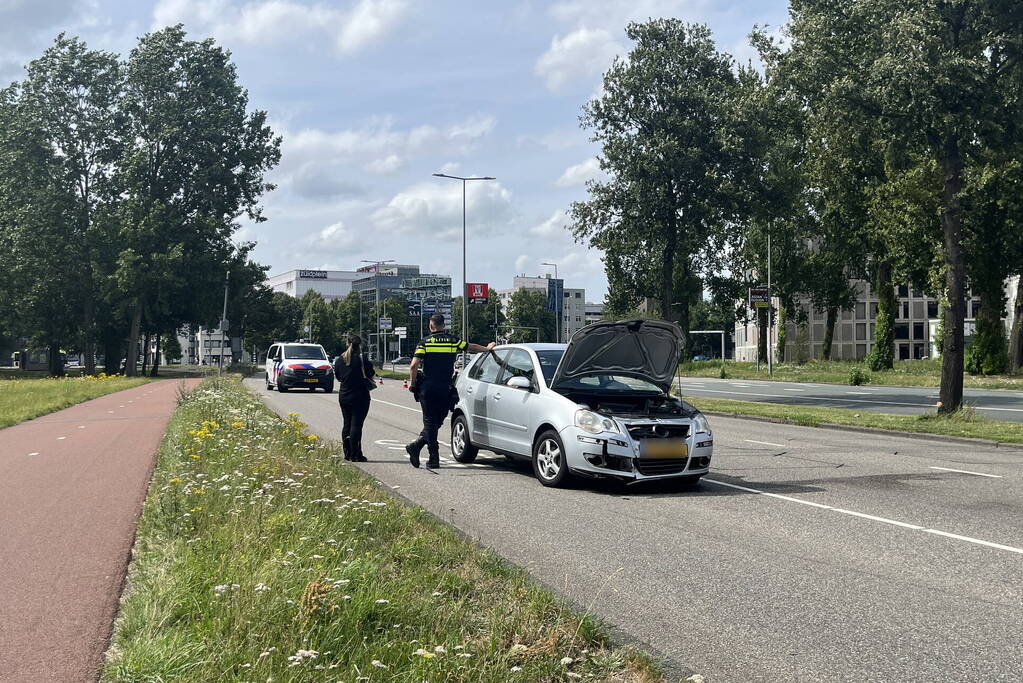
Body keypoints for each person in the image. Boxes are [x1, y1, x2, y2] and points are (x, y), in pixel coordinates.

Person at [405, 314, 495, 469]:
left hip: (428, 387)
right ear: (443, 325)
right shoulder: (453, 341)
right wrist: (487, 349)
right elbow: (471, 347)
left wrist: (413, 384)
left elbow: (413, 366)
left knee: (430, 423)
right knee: (437, 422)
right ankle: (430, 456)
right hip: (445, 388)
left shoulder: (424, 343)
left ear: (431, 326)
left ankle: (421, 449)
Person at [333, 334, 374, 462]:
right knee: (356, 425)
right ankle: (356, 454)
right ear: (360, 345)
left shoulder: (340, 359)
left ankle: (347, 453)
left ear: (347, 343)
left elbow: (339, 377)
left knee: (347, 424)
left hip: (344, 395)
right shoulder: (362, 360)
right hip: (360, 396)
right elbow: (371, 374)